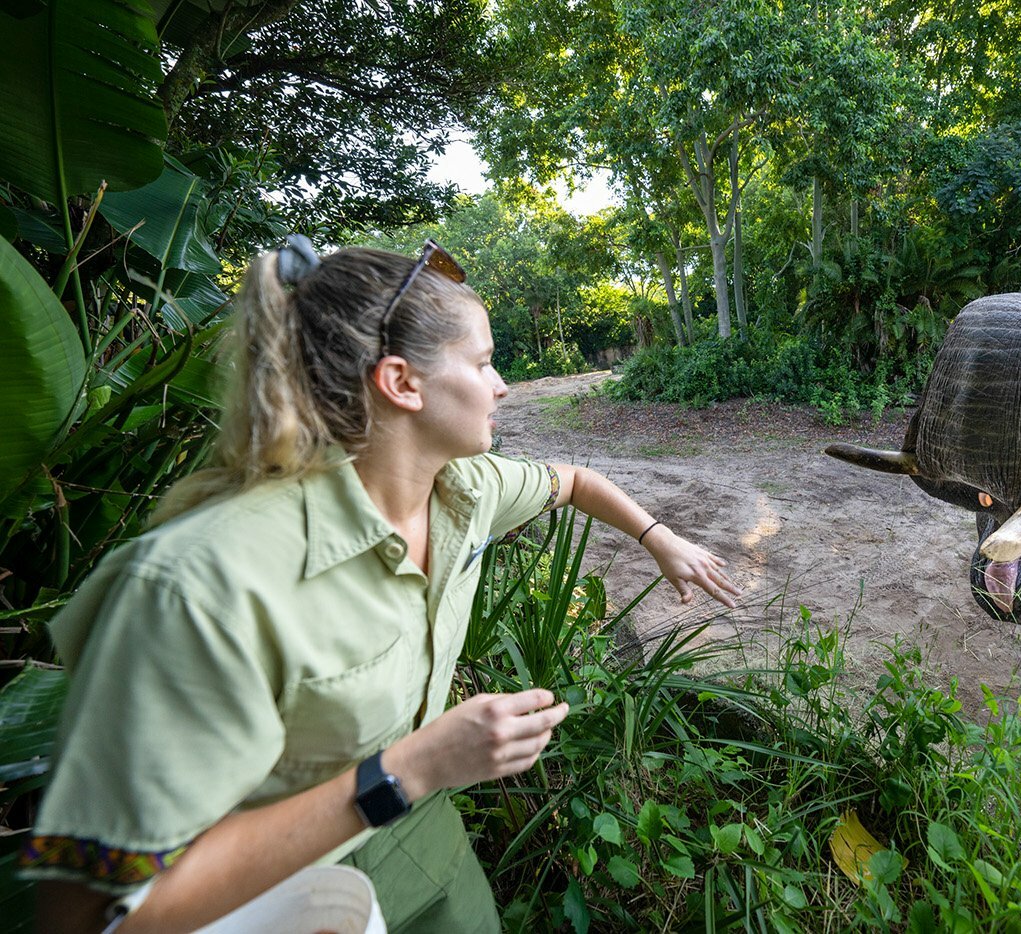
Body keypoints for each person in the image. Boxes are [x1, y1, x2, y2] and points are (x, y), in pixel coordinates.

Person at [21, 236, 740, 933]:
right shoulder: (202, 586)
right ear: (402, 382)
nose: (503, 384)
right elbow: (98, 914)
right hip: (261, 886)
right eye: (486, 362)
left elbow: (576, 480)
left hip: (417, 831)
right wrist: (412, 768)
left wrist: (659, 538)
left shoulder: (465, 487)